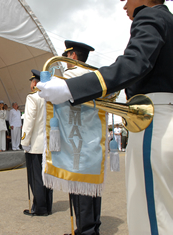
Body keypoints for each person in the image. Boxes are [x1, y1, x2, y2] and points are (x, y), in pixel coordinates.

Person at [37, 1, 173, 233]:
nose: (124, 6)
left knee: (153, 218)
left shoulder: (150, 16)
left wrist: (70, 89)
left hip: (154, 121)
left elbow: (134, 63)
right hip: (165, 116)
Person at [62, 41, 102, 235]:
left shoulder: (69, 76)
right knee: (93, 184)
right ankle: (94, 226)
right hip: (95, 137)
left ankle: (85, 230)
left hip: (76, 137)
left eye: (67, 56)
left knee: (78, 185)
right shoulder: (95, 76)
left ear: (73, 56)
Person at [21, 70, 53, 216]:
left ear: (35, 83)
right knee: (47, 177)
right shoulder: (51, 98)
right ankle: (48, 206)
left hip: (35, 145)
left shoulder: (33, 98)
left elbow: (29, 121)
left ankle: (40, 208)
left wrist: (25, 141)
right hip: (49, 144)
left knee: (36, 178)